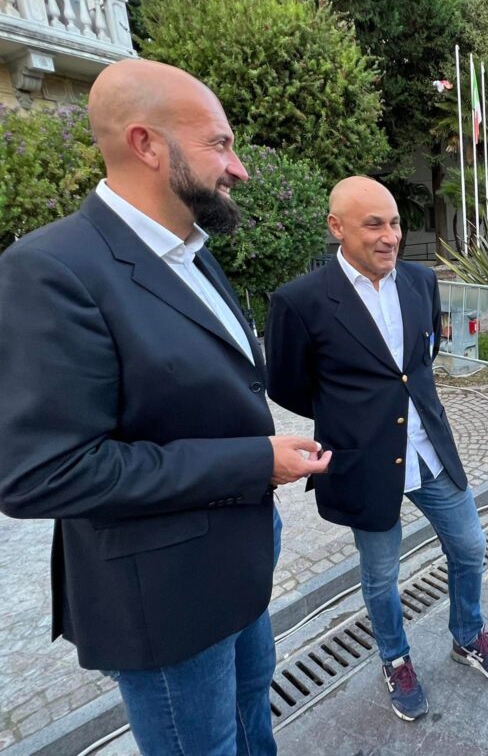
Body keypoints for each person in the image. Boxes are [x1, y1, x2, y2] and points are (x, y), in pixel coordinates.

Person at [0, 60, 331, 755]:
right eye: (219, 144)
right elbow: (42, 473)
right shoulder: (50, 270)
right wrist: (254, 462)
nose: (238, 168)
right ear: (146, 144)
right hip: (166, 598)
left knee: (253, 719)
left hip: (240, 561)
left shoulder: (190, 249)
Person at [265, 177, 488, 723]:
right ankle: (395, 658)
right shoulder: (300, 301)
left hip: (429, 450)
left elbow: (424, 357)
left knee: (469, 545)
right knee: (381, 574)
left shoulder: (422, 281)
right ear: (336, 227)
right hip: (363, 462)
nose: (390, 236)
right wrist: (350, 415)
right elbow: (286, 384)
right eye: (374, 224)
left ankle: (467, 634)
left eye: (396, 223)